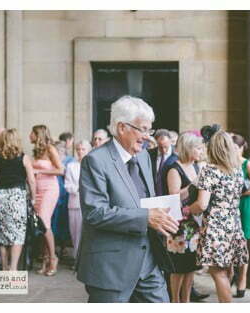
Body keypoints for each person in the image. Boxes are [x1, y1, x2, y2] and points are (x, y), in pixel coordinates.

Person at [77, 95, 178, 303]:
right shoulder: (95, 161)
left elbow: (141, 200)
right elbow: (95, 213)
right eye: (142, 129)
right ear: (122, 127)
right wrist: (146, 218)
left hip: (148, 263)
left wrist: (164, 216)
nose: (148, 136)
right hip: (111, 268)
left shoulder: (143, 157)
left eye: (150, 130)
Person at [188, 130, 249, 303]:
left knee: (218, 272)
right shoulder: (236, 170)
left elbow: (201, 204)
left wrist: (186, 210)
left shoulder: (210, 170)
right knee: (227, 270)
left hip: (217, 225)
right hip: (233, 223)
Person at [163, 131, 204, 303]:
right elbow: (174, 196)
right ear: (189, 148)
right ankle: (175, 301)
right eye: (198, 148)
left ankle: (186, 301)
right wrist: (193, 184)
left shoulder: (196, 166)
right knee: (178, 268)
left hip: (194, 223)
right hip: (179, 224)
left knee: (191, 267)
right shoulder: (175, 168)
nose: (201, 151)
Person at [0, 129, 37, 271]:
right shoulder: (23, 157)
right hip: (17, 197)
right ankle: (13, 268)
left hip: (0, 197)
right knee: (18, 233)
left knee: (2, 233)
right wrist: (33, 198)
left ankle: (4, 267)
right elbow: (31, 181)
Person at [29, 125, 64, 276]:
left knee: (44, 222)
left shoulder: (50, 148)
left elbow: (60, 170)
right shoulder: (36, 151)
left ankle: (53, 258)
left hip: (50, 188)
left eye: (32, 132)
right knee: (42, 226)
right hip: (37, 190)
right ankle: (45, 260)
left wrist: (39, 170)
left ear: (38, 134)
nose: (29, 135)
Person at [231, 132, 250, 298]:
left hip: (244, 206)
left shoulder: (248, 165)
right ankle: (229, 276)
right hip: (228, 207)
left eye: (236, 148)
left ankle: (242, 280)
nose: (233, 151)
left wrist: (242, 193)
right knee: (229, 243)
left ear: (242, 148)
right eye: (231, 148)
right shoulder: (225, 164)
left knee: (242, 245)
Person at [63, 139, 90, 265]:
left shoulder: (92, 165)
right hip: (74, 202)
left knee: (84, 232)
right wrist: (78, 188)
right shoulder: (71, 166)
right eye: (78, 149)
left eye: (83, 149)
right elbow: (67, 185)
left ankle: (84, 259)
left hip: (88, 203)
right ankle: (76, 258)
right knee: (74, 232)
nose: (80, 152)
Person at [149, 129, 178, 196]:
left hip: (170, 194)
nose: (163, 150)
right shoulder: (149, 154)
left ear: (170, 141)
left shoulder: (178, 155)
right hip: (154, 195)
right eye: (160, 147)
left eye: (165, 147)